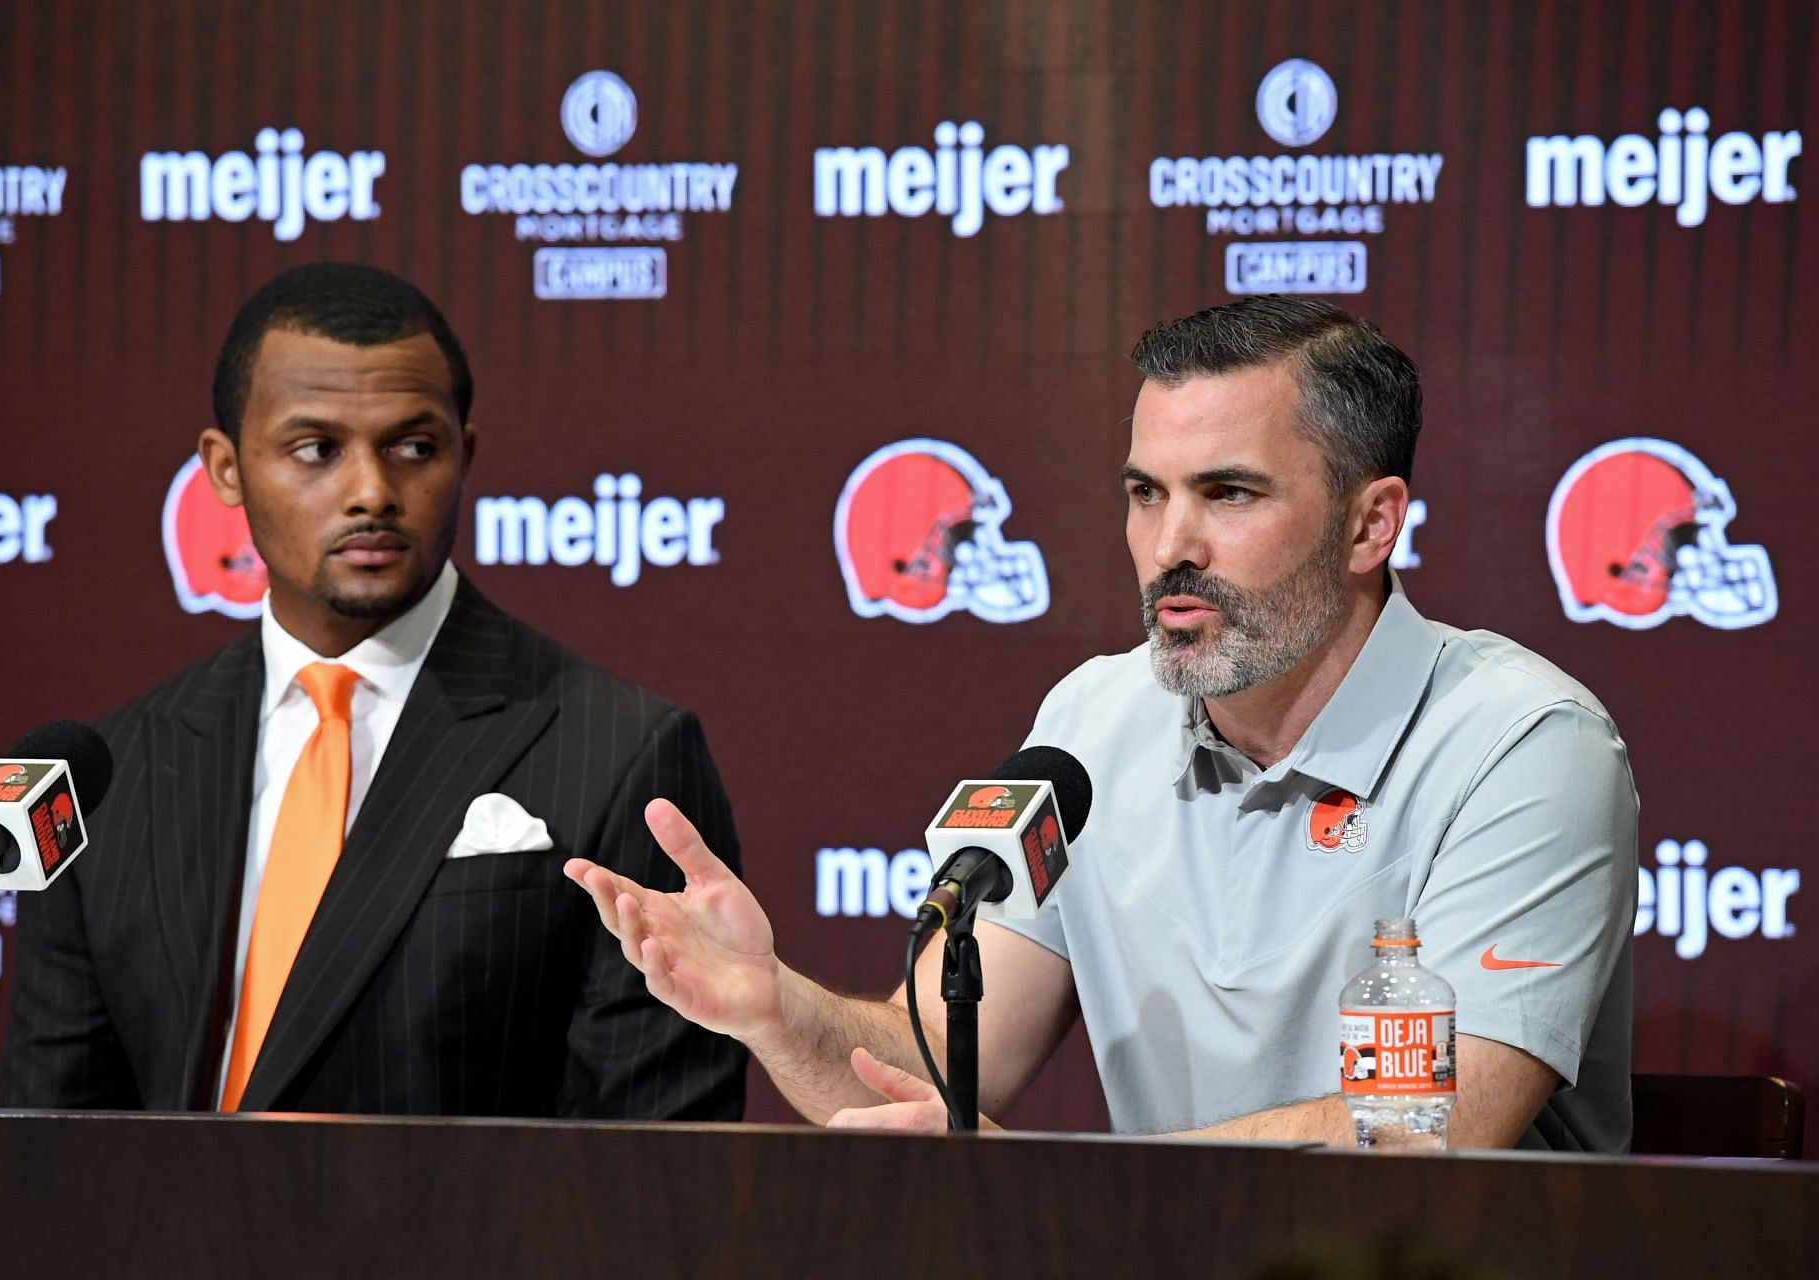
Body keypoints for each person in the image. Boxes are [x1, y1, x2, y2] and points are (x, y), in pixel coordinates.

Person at [566, 295, 1637, 1149]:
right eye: (1144, 491)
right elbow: (933, 1055)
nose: (1172, 543)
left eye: (1228, 493)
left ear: (1371, 523)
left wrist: (1076, 1187)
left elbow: (1436, 1127)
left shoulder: (1523, 743)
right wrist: (771, 1005)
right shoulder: (1094, 718)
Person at [0, 261, 747, 1119]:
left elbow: (654, 1174)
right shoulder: (113, 772)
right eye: (316, 449)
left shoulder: (622, 753)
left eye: (413, 447)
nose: (371, 493)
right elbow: (47, 1157)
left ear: (466, 453)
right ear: (226, 468)